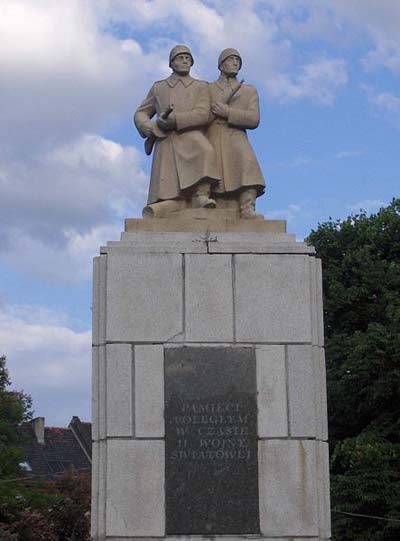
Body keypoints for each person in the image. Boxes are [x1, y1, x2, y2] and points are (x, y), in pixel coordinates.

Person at [134, 45, 219, 210]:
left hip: (190, 133)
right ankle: (168, 201)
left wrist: (175, 120)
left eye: (188, 58)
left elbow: (203, 114)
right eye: (181, 58)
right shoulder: (159, 87)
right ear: (171, 63)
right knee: (167, 180)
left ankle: (201, 195)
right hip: (166, 139)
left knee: (206, 151)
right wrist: (148, 126)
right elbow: (141, 113)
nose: (185, 61)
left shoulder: (201, 86)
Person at [208, 48, 265, 218]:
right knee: (208, 168)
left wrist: (228, 112)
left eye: (238, 61)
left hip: (236, 134)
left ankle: (247, 207)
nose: (235, 63)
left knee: (247, 162)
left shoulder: (248, 90)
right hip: (213, 133)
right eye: (231, 59)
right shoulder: (207, 88)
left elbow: (253, 119)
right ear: (221, 64)